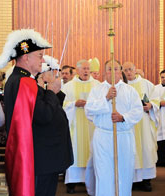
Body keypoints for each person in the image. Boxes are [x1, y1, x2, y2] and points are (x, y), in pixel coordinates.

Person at [0, 29, 73, 196]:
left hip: (40, 157)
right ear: (26, 57)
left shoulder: (22, 80)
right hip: (39, 158)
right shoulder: (24, 81)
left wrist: (51, 92)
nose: (43, 59)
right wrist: (52, 92)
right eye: (39, 55)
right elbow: (44, 115)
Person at [84, 60, 143, 196]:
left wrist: (123, 117)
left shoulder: (130, 90)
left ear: (120, 71)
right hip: (103, 137)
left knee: (124, 172)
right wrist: (106, 98)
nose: (112, 72)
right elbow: (89, 110)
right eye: (109, 69)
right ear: (105, 72)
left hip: (123, 137)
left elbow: (137, 111)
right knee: (104, 174)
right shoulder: (97, 90)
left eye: (115, 69)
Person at [62, 59, 100, 194]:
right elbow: (62, 105)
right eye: (83, 69)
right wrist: (74, 104)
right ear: (77, 70)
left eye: (88, 69)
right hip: (75, 127)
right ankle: (72, 182)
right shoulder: (68, 87)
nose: (86, 71)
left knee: (91, 150)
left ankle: (90, 181)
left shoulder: (97, 85)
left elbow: (102, 103)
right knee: (75, 151)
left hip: (92, 126)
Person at [122, 61, 160, 192]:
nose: (128, 72)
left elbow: (156, 99)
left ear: (135, 69)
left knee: (145, 149)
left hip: (144, 123)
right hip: (129, 125)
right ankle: (131, 180)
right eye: (125, 70)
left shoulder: (146, 84)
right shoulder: (121, 86)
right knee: (130, 150)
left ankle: (146, 180)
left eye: (130, 69)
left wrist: (151, 106)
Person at [154, 70, 165, 167]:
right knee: (160, 139)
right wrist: (160, 103)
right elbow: (153, 100)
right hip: (160, 116)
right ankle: (161, 161)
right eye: (162, 77)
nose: (164, 79)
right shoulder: (155, 88)